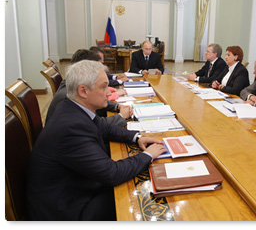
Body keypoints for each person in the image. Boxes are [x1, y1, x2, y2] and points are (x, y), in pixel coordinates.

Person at [25, 60, 168, 220]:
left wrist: (137, 137)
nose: (109, 92)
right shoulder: (71, 128)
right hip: (67, 209)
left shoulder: (71, 107)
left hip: (74, 188)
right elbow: (112, 174)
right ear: (83, 91)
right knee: (142, 200)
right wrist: (148, 155)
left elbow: (105, 128)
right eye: (103, 86)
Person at [45, 49, 132, 127]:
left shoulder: (72, 84)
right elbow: (93, 126)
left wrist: (117, 106)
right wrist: (121, 116)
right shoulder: (68, 97)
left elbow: (96, 101)